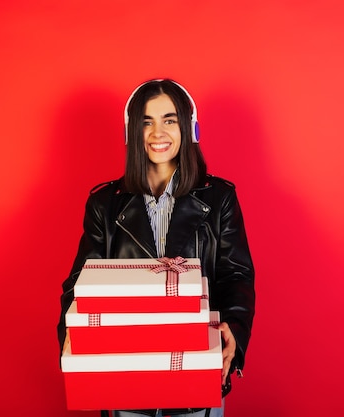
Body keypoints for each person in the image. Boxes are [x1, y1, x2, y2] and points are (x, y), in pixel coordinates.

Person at [57, 79, 255, 417]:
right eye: (146, 122)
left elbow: (235, 274)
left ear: (189, 127)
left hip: (197, 376)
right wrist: (72, 338)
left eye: (169, 119)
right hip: (124, 377)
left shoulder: (220, 199)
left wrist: (234, 330)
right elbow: (80, 284)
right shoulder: (104, 204)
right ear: (131, 132)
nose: (157, 132)